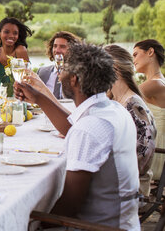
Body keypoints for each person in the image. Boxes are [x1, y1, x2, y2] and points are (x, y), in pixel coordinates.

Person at [15, 43, 139, 230]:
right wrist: (38, 98)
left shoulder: (90, 127)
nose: (59, 73)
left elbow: (71, 205)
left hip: (99, 226)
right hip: (125, 221)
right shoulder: (113, 110)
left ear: (74, 79)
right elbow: (72, 127)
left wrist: (33, 223)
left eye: (63, 68)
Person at [105, 44, 156, 196]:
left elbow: (142, 159)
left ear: (115, 68)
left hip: (132, 188)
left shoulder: (134, 105)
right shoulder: (114, 100)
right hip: (117, 179)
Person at [133, 39, 165, 181]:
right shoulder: (157, 82)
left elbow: (121, 99)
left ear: (150, 52)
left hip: (155, 153)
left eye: (135, 54)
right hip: (151, 145)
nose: (133, 60)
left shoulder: (155, 84)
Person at [0, 17, 31, 93]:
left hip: (19, 97)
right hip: (0, 97)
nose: (11, 36)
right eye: (6, 32)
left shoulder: (20, 50)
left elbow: (27, 80)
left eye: (15, 33)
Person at [37, 31, 80, 99]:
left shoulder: (79, 74)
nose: (57, 50)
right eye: (55, 46)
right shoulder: (42, 72)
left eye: (62, 47)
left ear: (73, 50)